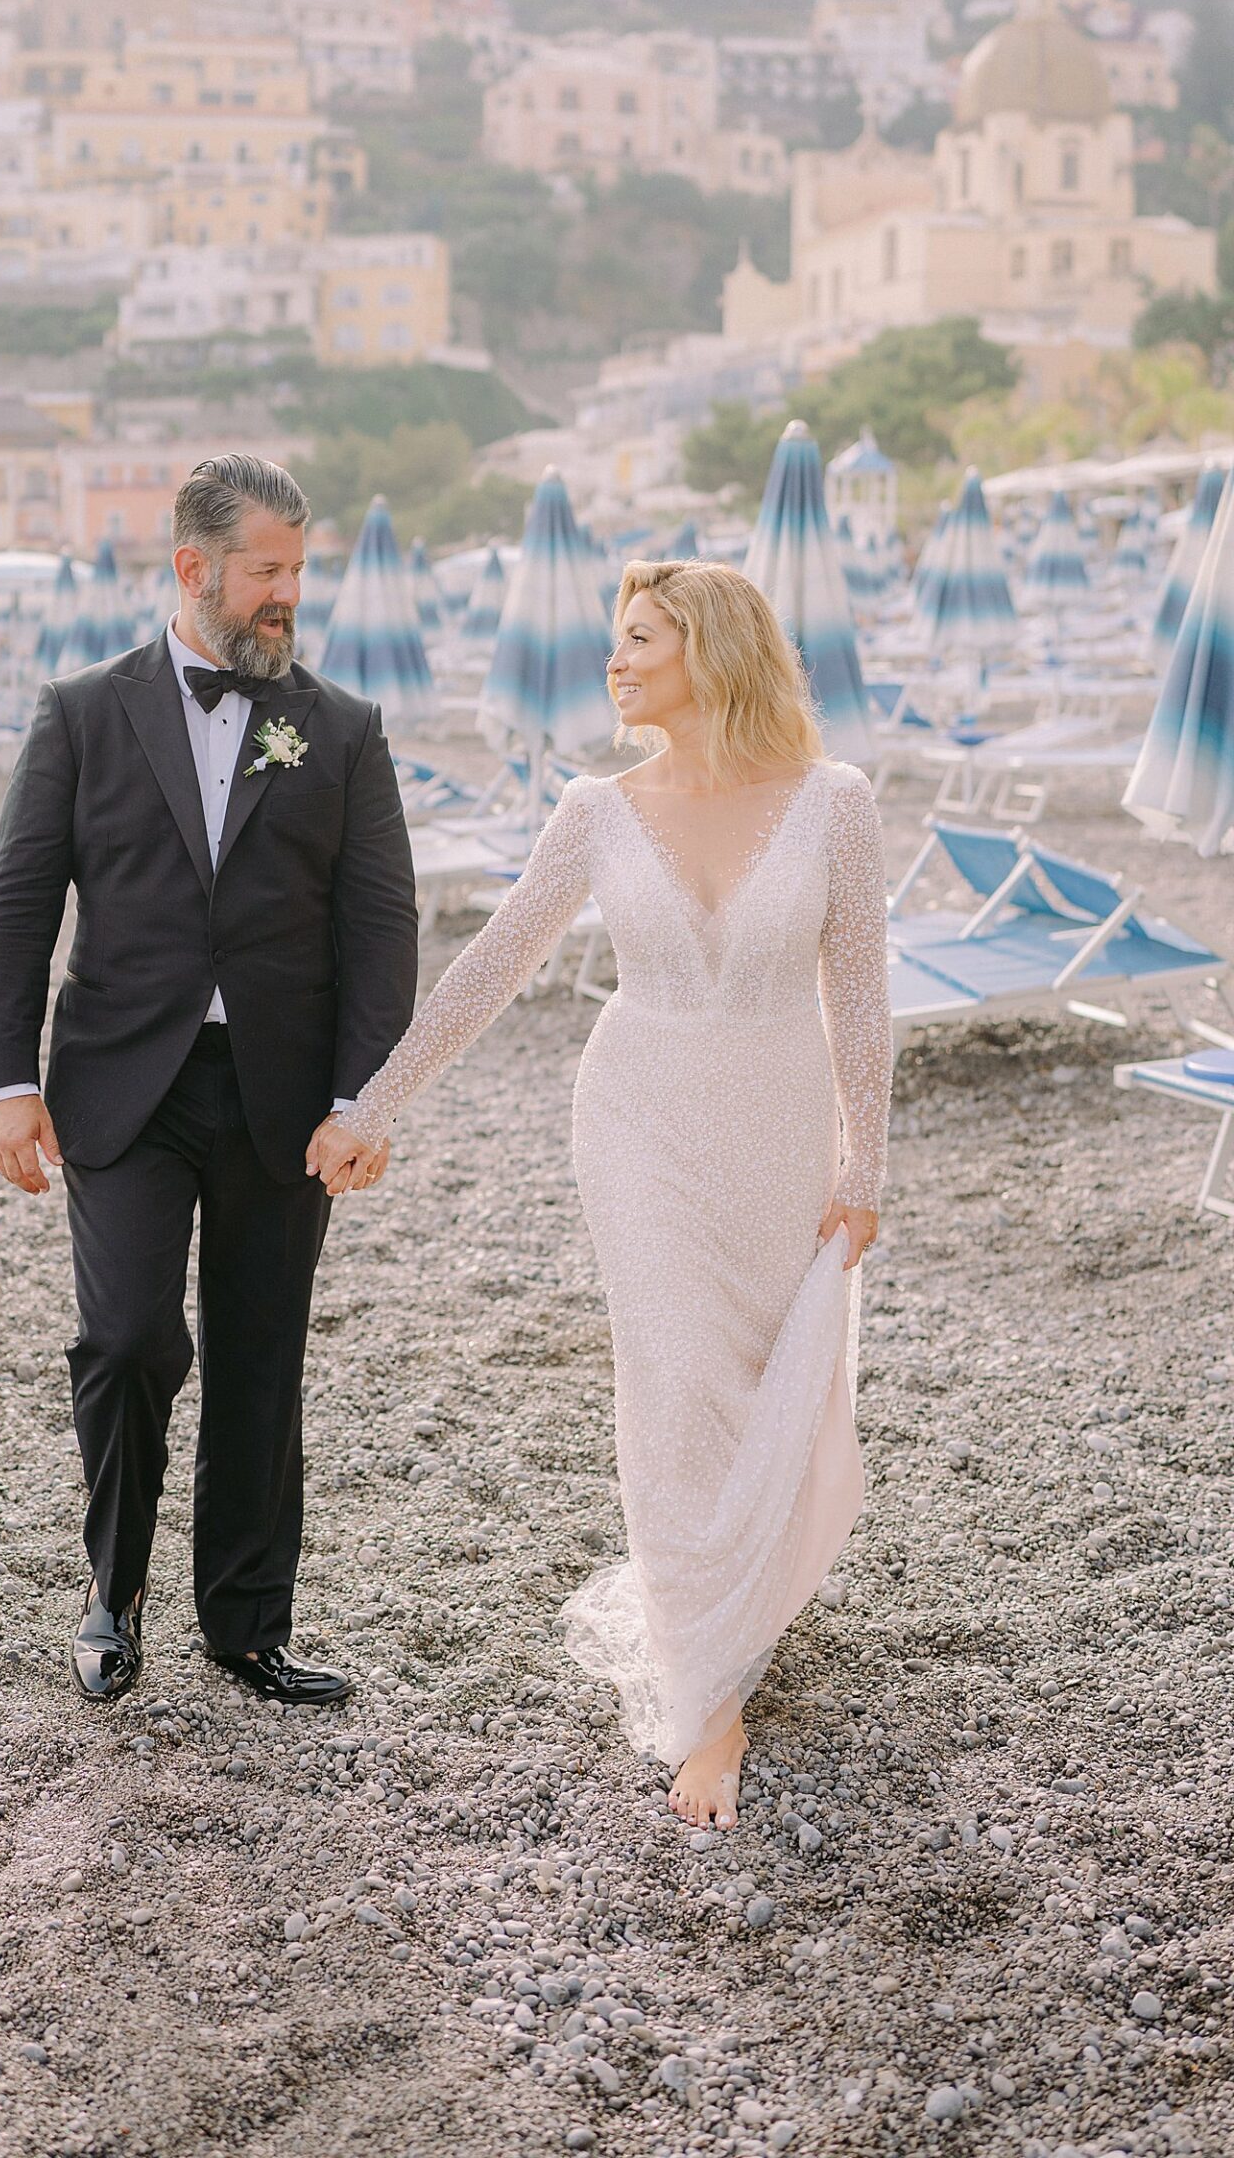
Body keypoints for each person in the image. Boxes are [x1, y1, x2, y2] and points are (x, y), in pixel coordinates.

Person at [314, 560, 891, 1829]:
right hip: (637, 1122)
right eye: (615, 642)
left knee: (762, 1378)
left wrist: (867, 1168)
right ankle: (713, 1705)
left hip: (782, 1126)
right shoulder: (596, 808)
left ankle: (745, 1592)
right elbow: (490, 967)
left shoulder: (835, 801)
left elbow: (860, 997)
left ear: (716, 653)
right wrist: (372, 1108)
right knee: (677, 1373)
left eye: (638, 641)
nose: (616, 664)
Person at [0, 454, 419, 1709]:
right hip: (124, 1086)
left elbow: (380, 931)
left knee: (262, 1354)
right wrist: (5, 1082)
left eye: (296, 570)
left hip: (285, 1099)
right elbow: (17, 906)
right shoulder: (80, 712)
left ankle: (247, 1625)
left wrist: (363, 1101)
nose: (287, 593)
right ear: (193, 569)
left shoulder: (343, 729)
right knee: (127, 1340)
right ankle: (111, 1596)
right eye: (266, 570)